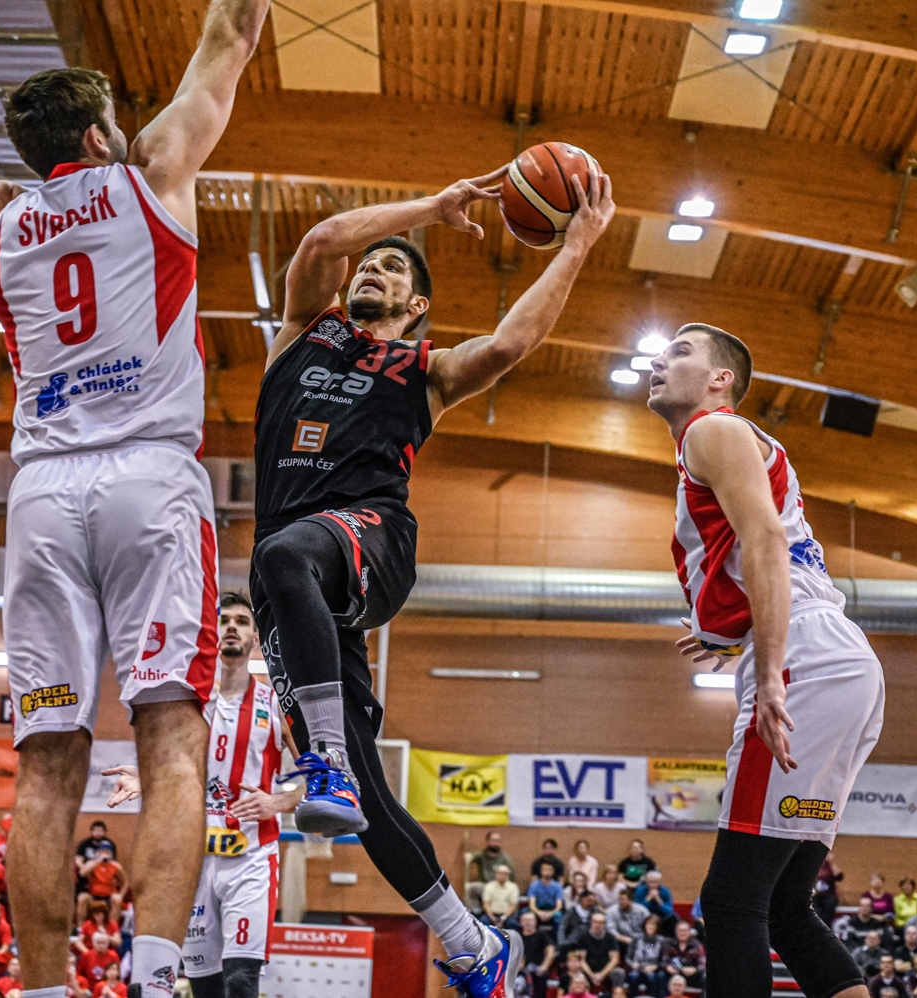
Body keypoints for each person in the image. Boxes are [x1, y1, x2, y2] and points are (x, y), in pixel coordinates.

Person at [0, 0, 279, 986]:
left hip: (42, 494)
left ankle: (41, 986)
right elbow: (232, 35)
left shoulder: (0, 217)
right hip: (149, 477)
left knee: (45, 765)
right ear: (103, 134)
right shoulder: (152, 171)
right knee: (173, 741)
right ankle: (152, 975)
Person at [250, 156, 613, 994]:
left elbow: (513, 342)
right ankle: (472, 941)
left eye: (393, 269)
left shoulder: (429, 371)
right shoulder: (303, 332)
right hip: (289, 578)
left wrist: (577, 244)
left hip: (370, 537)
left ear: (416, 307)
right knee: (366, 802)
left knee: (287, 556)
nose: (372, 268)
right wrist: (432, 207)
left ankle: (325, 758)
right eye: (371, 264)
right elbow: (324, 239)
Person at [648, 323, 886, 998]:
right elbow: (766, 552)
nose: (659, 360)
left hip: (804, 660)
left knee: (731, 904)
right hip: (837, 658)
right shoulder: (730, 444)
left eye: (681, 351)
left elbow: (767, 542)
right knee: (783, 908)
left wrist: (773, 675)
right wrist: (728, 632)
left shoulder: (712, 430)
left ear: (720, 379)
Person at [106, 593, 301, 998]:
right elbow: (169, 766)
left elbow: (324, 778)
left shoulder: (276, 703)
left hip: (251, 856)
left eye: (241, 621)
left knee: (241, 981)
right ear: (212, 633)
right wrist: (147, 778)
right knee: (205, 987)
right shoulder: (188, 703)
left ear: (255, 638)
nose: (232, 627)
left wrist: (279, 801)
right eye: (224, 620)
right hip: (192, 858)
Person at [73, 846, 125, 926]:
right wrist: (98, 860)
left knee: (117, 899)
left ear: (111, 854)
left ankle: (112, 927)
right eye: (102, 851)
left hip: (109, 897)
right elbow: (82, 873)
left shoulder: (116, 866)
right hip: (93, 896)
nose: (105, 853)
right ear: (98, 852)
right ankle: (81, 927)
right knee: (82, 897)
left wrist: (121, 894)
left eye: (107, 852)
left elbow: (124, 882)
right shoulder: (92, 863)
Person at [468, 832, 516, 911]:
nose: (496, 843)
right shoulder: (482, 855)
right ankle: (475, 912)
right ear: (487, 842)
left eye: (498, 841)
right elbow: (472, 856)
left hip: (501, 886)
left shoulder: (506, 858)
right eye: (493, 841)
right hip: (485, 885)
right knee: (471, 889)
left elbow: (511, 875)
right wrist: (469, 856)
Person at [579, 912, 625, 993]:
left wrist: (602, 974)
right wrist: (592, 975)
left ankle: (617, 995)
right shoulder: (583, 937)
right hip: (588, 970)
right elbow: (581, 960)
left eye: (600, 923)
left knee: (619, 973)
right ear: (591, 923)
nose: (597, 925)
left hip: (606, 970)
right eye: (595, 922)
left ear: (605, 924)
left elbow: (615, 960)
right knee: (576, 972)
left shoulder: (611, 938)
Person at [625, 916, 668, 997]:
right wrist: (632, 964)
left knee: (652, 977)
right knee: (634, 977)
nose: (651, 927)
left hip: (653, 968)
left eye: (653, 925)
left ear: (657, 927)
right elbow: (628, 958)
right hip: (638, 967)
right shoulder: (636, 939)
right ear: (645, 925)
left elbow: (664, 959)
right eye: (649, 924)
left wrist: (656, 966)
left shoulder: (661, 940)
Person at [515, 911, 555, 998]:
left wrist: (544, 966)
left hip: (538, 970)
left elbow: (550, 950)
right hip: (522, 972)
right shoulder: (518, 938)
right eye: (525, 920)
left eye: (530, 920)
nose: (528, 922)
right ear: (521, 923)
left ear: (535, 922)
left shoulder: (541, 935)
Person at [74, 824, 117, 901]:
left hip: (103, 871)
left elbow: (112, 861)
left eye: (100, 831)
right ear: (91, 831)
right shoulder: (85, 843)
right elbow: (78, 859)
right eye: (96, 830)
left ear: (105, 832)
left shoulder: (109, 844)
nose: (98, 833)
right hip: (87, 870)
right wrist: (85, 868)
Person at [526, 864, 566, 940]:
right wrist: (539, 913)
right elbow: (532, 905)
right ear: (541, 871)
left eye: (549, 870)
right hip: (537, 909)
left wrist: (550, 913)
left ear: (553, 872)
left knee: (560, 919)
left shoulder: (558, 886)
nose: (547, 872)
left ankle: (557, 942)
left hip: (552, 910)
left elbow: (559, 906)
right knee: (527, 917)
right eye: (545, 869)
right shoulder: (533, 885)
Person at [663, 921, 704, 992]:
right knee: (661, 975)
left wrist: (695, 970)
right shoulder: (669, 944)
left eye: (685, 931)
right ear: (676, 932)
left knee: (705, 975)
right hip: (674, 973)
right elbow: (664, 961)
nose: (682, 933)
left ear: (689, 932)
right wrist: (667, 967)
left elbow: (703, 963)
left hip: (691, 974)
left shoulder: (697, 944)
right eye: (680, 930)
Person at [634, 871, 676, 936]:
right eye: (650, 882)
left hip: (661, 916)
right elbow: (637, 909)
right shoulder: (640, 890)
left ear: (660, 882)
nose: (652, 884)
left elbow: (669, 910)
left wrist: (659, 900)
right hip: (645, 916)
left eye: (655, 882)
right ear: (646, 881)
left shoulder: (666, 891)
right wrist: (647, 899)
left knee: (673, 918)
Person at [813, 852, 844, 924]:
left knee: (829, 907)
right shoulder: (816, 866)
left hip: (829, 895)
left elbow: (839, 876)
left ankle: (825, 925)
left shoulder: (830, 866)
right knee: (815, 908)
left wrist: (831, 862)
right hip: (817, 895)